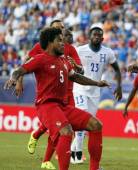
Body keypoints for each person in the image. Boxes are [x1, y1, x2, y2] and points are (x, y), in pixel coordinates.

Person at [4, 27, 108, 170]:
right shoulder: (40, 59)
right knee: (66, 131)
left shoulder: (64, 60)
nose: (63, 43)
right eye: (59, 40)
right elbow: (19, 70)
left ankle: (94, 168)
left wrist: (97, 83)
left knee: (96, 125)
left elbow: (76, 77)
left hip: (63, 106)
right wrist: (14, 78)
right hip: (46, 106)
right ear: (50, 43)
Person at [20, 20, 83, 170]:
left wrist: (76, 66)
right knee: (61, 128)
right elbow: (27, 63)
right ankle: (46, 156)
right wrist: (18, 81)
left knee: (63, 128)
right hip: (49, 94)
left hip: (68, 93)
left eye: (62, 28)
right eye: (58, 28)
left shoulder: (69, 48)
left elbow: (80, 70)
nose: (61, 31)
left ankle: (44, 156)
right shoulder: (40, 47)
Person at [71, 25, 122, 164]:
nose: (97, 37)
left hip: (95, 91)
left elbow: (117, 70)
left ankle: (73, 150)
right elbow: (69, 63)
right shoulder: (79, 50)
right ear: (89, 36)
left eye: (99, 35)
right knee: (82, 116)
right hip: (79, 88)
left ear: (102, 38)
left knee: (89, 123)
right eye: (94, 34)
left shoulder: (108, 52)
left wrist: (119, 86)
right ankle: (78, 154)